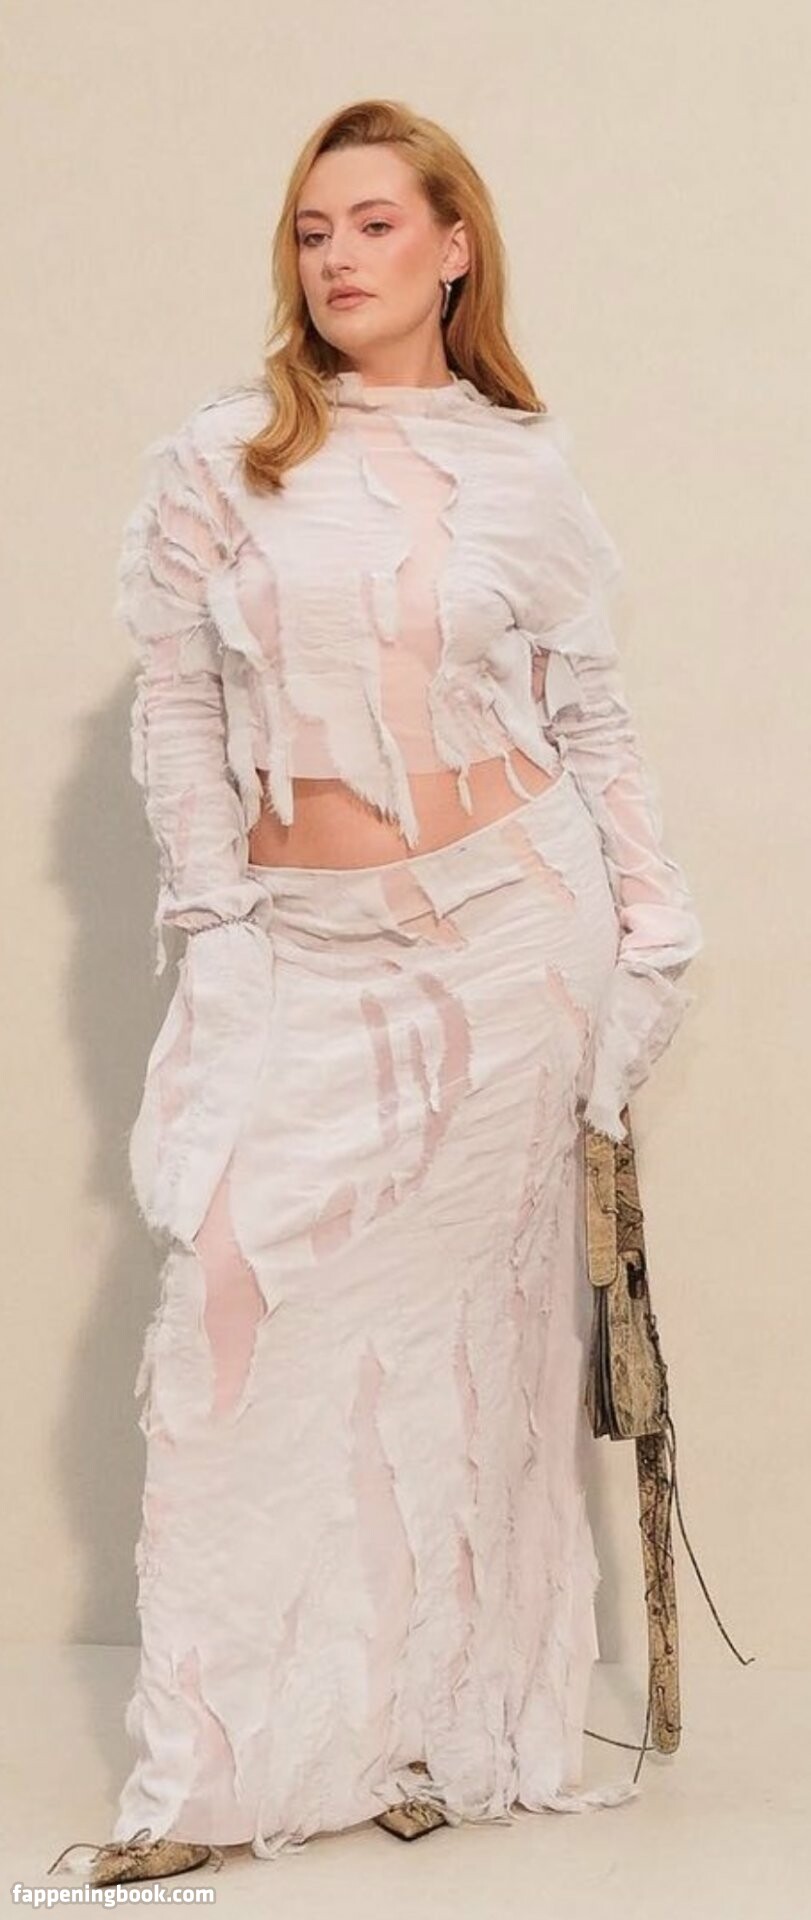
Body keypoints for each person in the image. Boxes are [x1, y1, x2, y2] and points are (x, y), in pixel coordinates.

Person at [48, 97, 702, 1890]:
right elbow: (181, 704)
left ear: (454, 246)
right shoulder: (225, 461)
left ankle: (432, 1736)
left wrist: (654, 935)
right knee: (232, 1308)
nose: (338, 256)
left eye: (375, 223)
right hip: (303, 948)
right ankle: (210, 1779)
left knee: (472, 1352)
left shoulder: (520, 471)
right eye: (313, 229)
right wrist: (216, 920)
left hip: (509, 939)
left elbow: (589, 714)